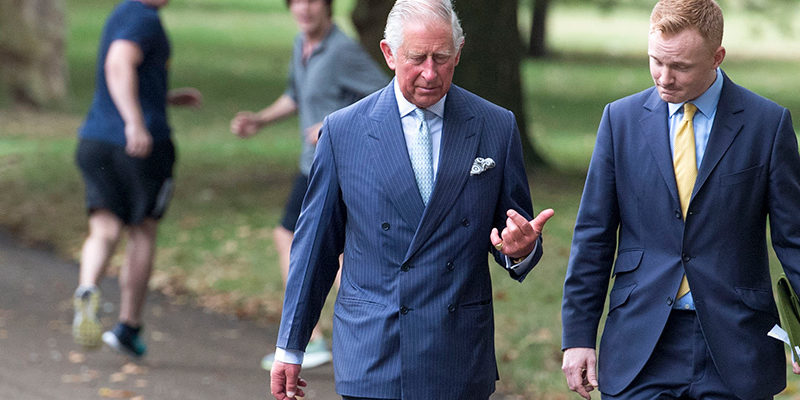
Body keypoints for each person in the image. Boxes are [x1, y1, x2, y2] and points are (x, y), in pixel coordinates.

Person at [268, 0, 555, 399]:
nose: (430, 73)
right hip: (374, 353)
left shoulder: (496, 126)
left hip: (456, 353)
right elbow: (315, 249)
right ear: (389, 54)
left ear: (459, 52)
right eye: (417, 58)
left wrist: (520, 250)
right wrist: (290, 346)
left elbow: (515, 230)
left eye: (441, 58)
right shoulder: (343, 132)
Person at [561, 0, 800, 399]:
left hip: (737, 344)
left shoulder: (767, 125)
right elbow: (593, 237)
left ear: (717, 57)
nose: (664, 78)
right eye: (656, 61)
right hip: (640, 344)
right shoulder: (619, 121)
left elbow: (794, 240)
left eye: (681, 67)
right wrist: (578, 336)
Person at [230, 0, 388, 371]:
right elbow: (295, 95)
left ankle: (325, 336)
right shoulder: (302, 46)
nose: (304, 8)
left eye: (313, 0)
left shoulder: (342, 50)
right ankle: (366, 331)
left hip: (337, 168)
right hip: (312, 168)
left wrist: (333, 124)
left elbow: (385, 94)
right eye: (297, 1)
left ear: (328, 6)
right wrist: (260, 120)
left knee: (303, 242)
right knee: (320, 247)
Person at [72, 0, 202, 357]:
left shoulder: (122, 12)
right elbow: (118, 63)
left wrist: (167, 98)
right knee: (142, 230)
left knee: (104, 229)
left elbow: (129, 75)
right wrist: (135, 121)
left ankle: (87, 287)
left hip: (96, 140)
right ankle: (129, 326)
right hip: (140, 146)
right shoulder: (144, 18)